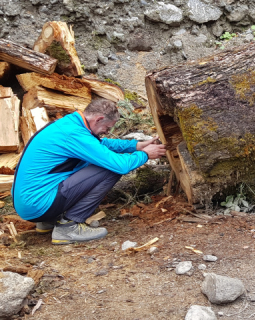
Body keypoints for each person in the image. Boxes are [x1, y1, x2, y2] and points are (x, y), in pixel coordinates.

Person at [12, 99, 167, 244]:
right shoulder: (74, 134)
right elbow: (121, 165)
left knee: (98, 161)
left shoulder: (70, 124)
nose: (106, 132)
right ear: (98, 119)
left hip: (30, 204)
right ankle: (68, 227)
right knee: (110, 168)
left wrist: (136, 146)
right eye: (107, 127)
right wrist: (145, 154)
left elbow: (101, 143)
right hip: (38, 204)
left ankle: (49, 221)